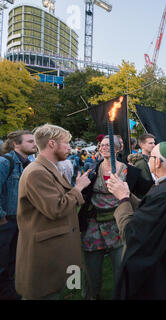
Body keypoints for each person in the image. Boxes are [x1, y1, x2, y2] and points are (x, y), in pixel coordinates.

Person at [107, 141, 166, 299]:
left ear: (158, 162)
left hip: (160, 276)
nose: (148, 161)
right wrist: (127, 194)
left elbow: (132, 234)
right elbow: (150, 210)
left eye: (151, 157)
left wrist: (123, 200)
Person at [15, 124, 91, 300]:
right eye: (66, 143)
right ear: (51, 144)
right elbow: (56, 209)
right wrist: (78, 188)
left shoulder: (49, 168)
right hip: (44, 256)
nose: (70, 148)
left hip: (55, 252)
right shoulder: (37, 172)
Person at [77, 136, 132, 300]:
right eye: (102, 145)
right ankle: (91, 295)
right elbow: (83, 192)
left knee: (121, 266)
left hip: (118, 226)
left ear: (118, 148)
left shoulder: (130, 171)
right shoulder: (92, 168)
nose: (105, 147)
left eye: (110, 145)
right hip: (94, 226)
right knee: (92, 269)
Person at [0, 130, 37, 300]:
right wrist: (2, 218)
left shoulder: (26, 164)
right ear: (16, 144)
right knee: (3, 262)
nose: (34, 144)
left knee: (15, 260)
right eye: (30, 141)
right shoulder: (5, 162)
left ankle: (12, 291)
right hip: (6, 222)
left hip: (20, 221)